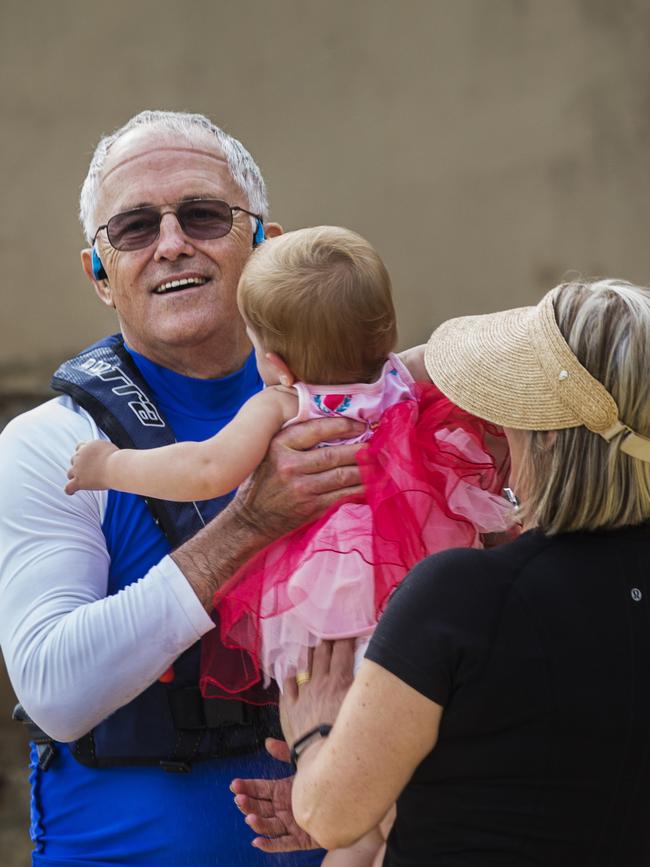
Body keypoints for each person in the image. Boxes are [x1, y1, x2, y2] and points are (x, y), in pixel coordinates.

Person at [0, 111, 367, 867]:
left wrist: (359, 787)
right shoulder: (55, 444)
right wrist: (249, 525)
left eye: (203, 214)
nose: (172, 242)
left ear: (266, 241)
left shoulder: (354, 408)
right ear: (99, 273)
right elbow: (55, 689)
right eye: (134, 227)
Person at [237, 279, 650, 866]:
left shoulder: (463, 597)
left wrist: (316, 739)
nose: (493, 430)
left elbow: (330, 814)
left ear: (548, 441)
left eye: (506, 413)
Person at [65, 225, 513, 706]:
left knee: (331, 695)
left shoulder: (284, 402)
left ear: (276, 364)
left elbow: (205, 469)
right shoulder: (403, 374)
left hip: (334, 588)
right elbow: (477, 352)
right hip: (428, 556)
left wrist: (110, 466)